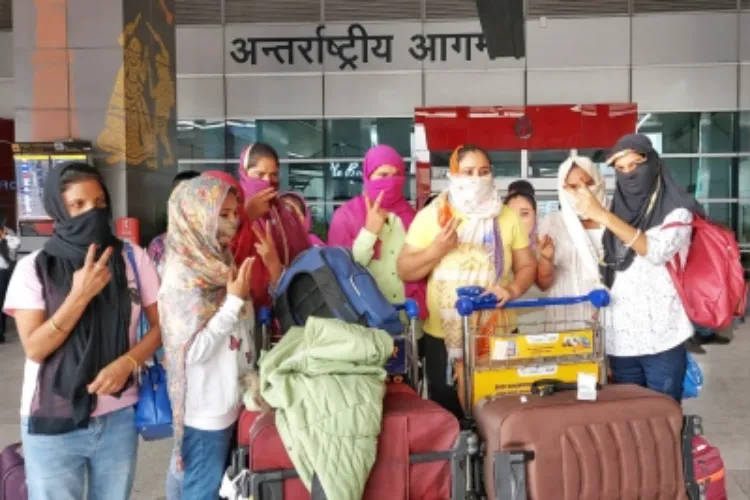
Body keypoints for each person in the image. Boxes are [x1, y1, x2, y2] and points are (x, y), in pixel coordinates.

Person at [3, 162, 161, 500]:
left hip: (117, 416)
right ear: (58, 210)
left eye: (99, 203)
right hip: (52, 418)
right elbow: (35, 348)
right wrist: (80, 295)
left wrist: (129, 362)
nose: (92, 213)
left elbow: (164, 327)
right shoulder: (34, 269)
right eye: (78, 205)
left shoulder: (132, 258)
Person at [397, 145, 536, 418]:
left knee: (502, 413)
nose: (476, 179)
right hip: (443, 338)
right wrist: (437, 249)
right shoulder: (433, 216)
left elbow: (527, 265)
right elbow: (404, 269)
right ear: (453, 174)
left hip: (499, 334)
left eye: (483, 172)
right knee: (450, 416)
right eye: (468, 172)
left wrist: (513, 288)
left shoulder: (506, 216)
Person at [565, 134, 702, 402]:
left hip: (662, 335)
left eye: (635, 165)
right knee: (630, 417)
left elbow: (656, 250)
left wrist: (604, 216)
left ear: (653, 165)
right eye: (621, 168)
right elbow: (611, 269)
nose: (629, 174)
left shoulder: (677, 211)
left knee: (662, 415)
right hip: (620, 339)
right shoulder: (619, 208)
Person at [159, 175, 256, 500]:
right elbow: (190, 353)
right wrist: (233, 303)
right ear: (197, 218)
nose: (232, 223)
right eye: (222, 215)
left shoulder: (216, 261)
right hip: (205, 413)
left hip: (228, 400)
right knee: (201, 492)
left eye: (234, 214)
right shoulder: (182, 277)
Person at [328, 144, 426, 312]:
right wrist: (369, 233)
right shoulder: (345, 216)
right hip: (367, 320)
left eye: (397, 175)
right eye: (383, 175)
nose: (391, 182)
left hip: (410, 317)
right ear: (368, 177)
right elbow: (341, 272)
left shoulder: (412, 217)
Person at [234, 143, 310, 307]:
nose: (268, 181)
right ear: (244, 173)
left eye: (273, 175)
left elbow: (304, 254)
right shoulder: (233, 211)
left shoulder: (286, 214)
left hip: (289, 302)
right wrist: (246, 217)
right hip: (247, 307)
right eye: (259, 174)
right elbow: (225, 252)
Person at [536, 156, 608, 327]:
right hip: (566, 311)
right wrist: (546, 259)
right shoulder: (553, 222)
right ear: (563, 189)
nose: (582, 191)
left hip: (610, 308)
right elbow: (544, 284)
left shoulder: (615, 220)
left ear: (599, 181)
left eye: (589, 183)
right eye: (573, 187)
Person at [148, 170, 200, 275]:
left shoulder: (214, 245)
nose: (181, 201)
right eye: (176, 195)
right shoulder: (158, 245)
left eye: (189, 195)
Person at [0, 216, 20, 343]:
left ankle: (0, 332)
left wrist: (5, 238)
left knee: (1, 302)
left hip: (2, 272)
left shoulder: (8, 233)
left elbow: (13, 253)